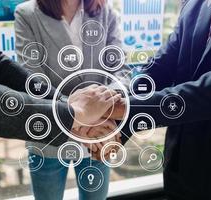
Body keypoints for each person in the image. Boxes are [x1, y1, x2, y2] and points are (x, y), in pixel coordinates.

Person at [0, 10, 120, 200]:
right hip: (50, 141)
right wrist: (71, 114)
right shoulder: (28, 13)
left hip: (95, 134)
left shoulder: (107, 13)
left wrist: (71, 109)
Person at [93, 0, 211, 199]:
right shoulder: (194, 4)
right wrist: (115, 110)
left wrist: (125, 108)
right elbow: (160, 66)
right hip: (179, 164)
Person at [14, 0, 130, 199]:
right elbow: (33, 81)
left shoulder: (106, 11)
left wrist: (100, 113)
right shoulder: (27, 14)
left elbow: (121, 72)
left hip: (98, 137)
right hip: (50, 137)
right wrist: (81, 117)